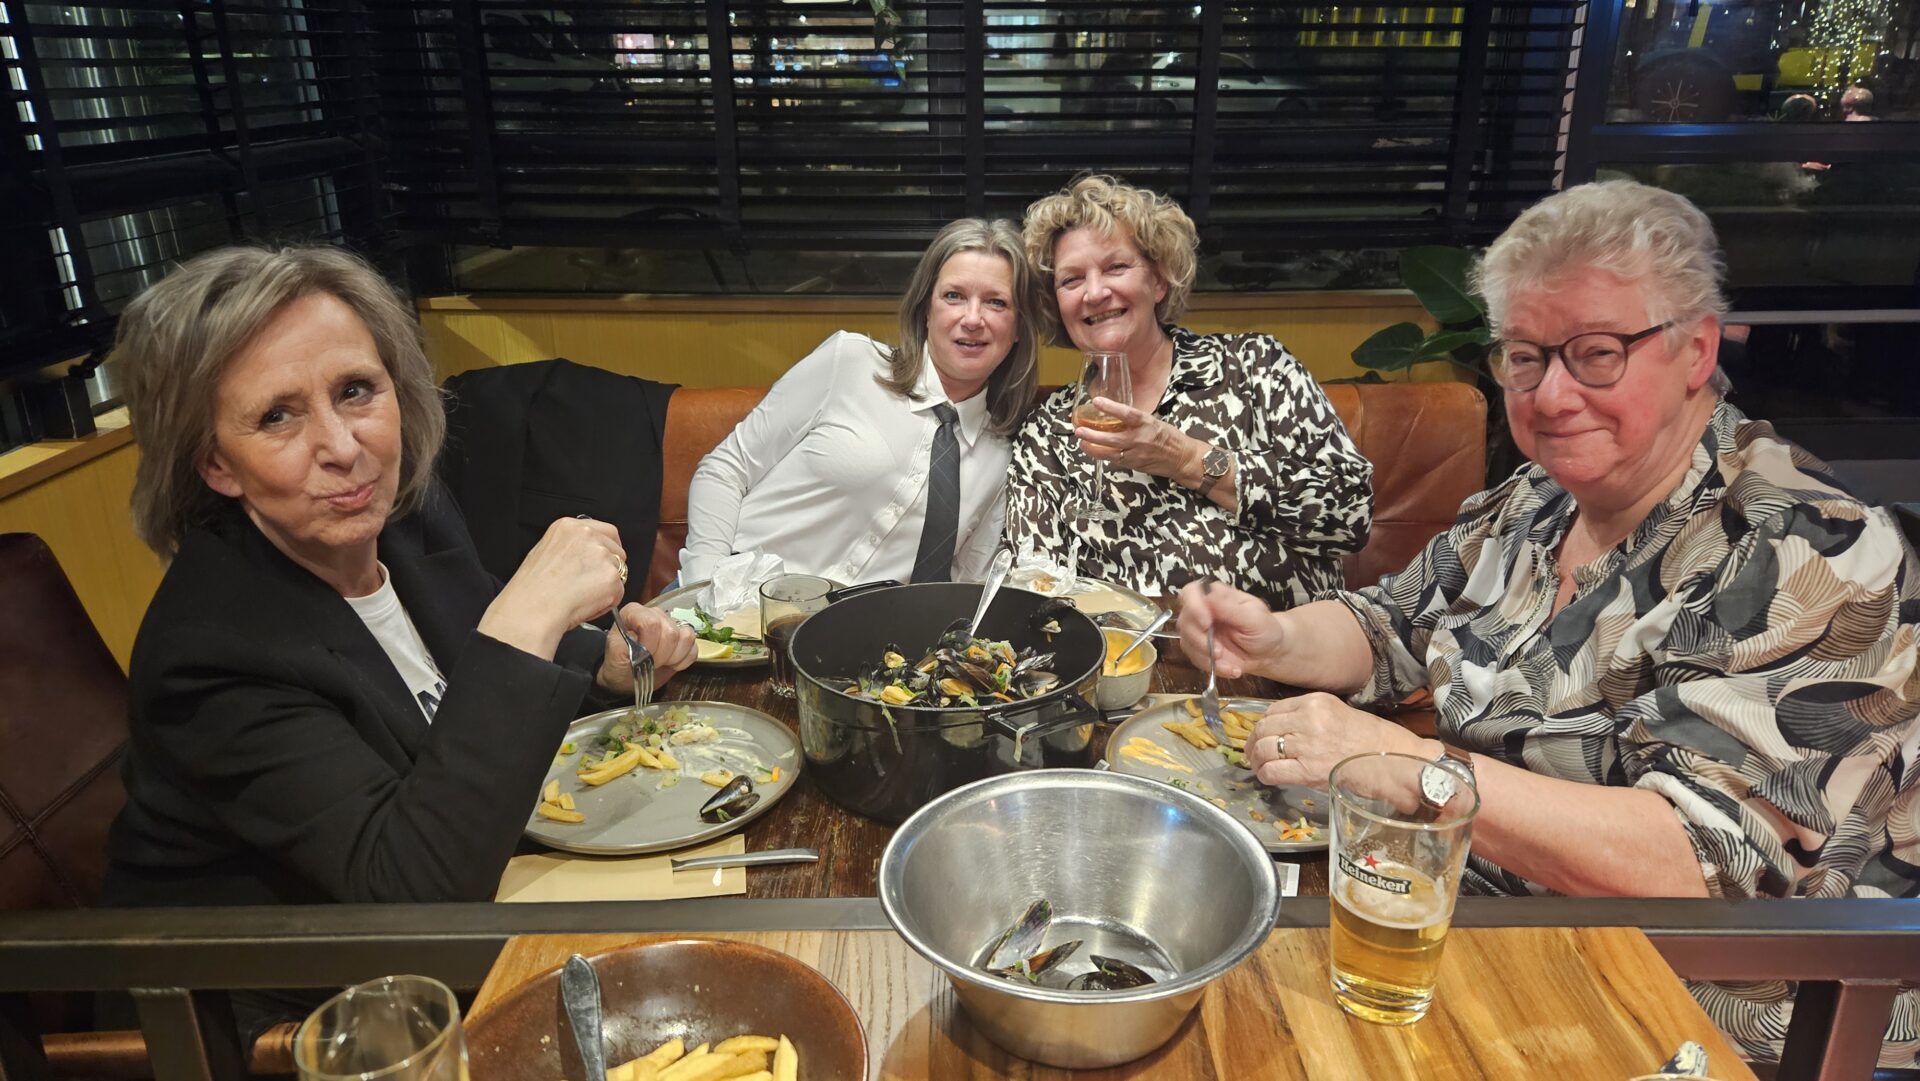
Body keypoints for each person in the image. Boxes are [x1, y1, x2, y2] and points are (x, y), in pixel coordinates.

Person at [1178, 179, 1919, 1067]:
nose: (1553, 394)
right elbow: (1391, 624)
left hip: (1714, 1004)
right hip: (1486, 921)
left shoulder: (1807, 548)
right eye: (1525, 357)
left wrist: (1411, 766)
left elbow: (1695, 862)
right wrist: (1278, 636)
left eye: (1597, 353)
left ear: (1695, 350)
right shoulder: (1539, 498)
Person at [103, 246, 697, 913]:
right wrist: (528, 611)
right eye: (277, 416)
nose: (343, 447)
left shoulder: (407, 518)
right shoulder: (209, 656)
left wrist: (605, 668)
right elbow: (415, 890)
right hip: (290, 968)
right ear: (217, 465)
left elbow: (475, 693)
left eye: (355, 391)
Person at [1005, 174, 1372, 609]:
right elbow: (1034, 584)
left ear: (1159, 281)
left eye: (1116, 267)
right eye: (1071, 280)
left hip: (1284, 644)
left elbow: (1350, 514)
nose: (1096, 292)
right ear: (1056, 305)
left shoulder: (1254, 367)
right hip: (1129, 649)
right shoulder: (1047, 434)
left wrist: (1185, 458)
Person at [681, 217, 1040, 585]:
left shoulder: (1001, 458)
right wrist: (704, 589)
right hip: (729, 599)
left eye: (996, 302)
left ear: (1018, 328)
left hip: (853, 624)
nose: (973, 318)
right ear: (925, 309)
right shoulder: (850, 362)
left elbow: (968, 585)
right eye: (954, 296)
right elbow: (726, 469)